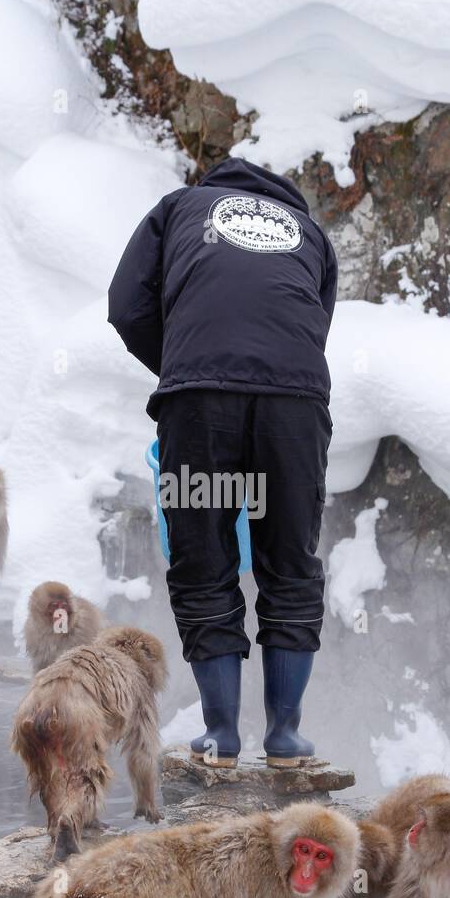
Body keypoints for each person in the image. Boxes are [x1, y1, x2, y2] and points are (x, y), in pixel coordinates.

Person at [108, 157, 338, 768]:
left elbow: (125, 305)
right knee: (290, 560)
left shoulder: (178, 207)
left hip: (201, 402)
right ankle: (286, 738)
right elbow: (314, 325)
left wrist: (187, 364)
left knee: (203, 557)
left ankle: (221, 736)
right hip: (297, 406)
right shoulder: (310, 232)